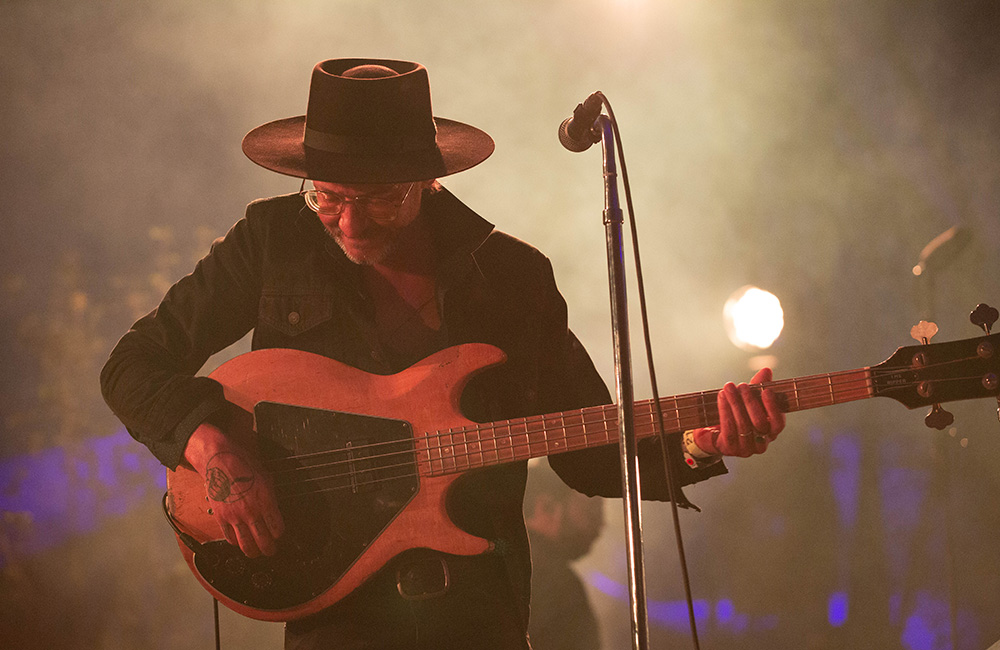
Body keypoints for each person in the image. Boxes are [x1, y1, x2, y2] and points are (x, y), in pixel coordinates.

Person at [100, 58, 785, 649]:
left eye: (380, 201)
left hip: (475, 615)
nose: (349, 221)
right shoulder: (272, 241)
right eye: (329, 198)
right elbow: (133, 365)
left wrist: (699, 442)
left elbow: (591, 450)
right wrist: (211, 446)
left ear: (429, 181)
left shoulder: (512, 278)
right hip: (334, 616)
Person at [523, 463, 606, 650]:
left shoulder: (492, 565)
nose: (601, 526)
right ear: (547, 507)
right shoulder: (559, 584)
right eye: (591, 512)